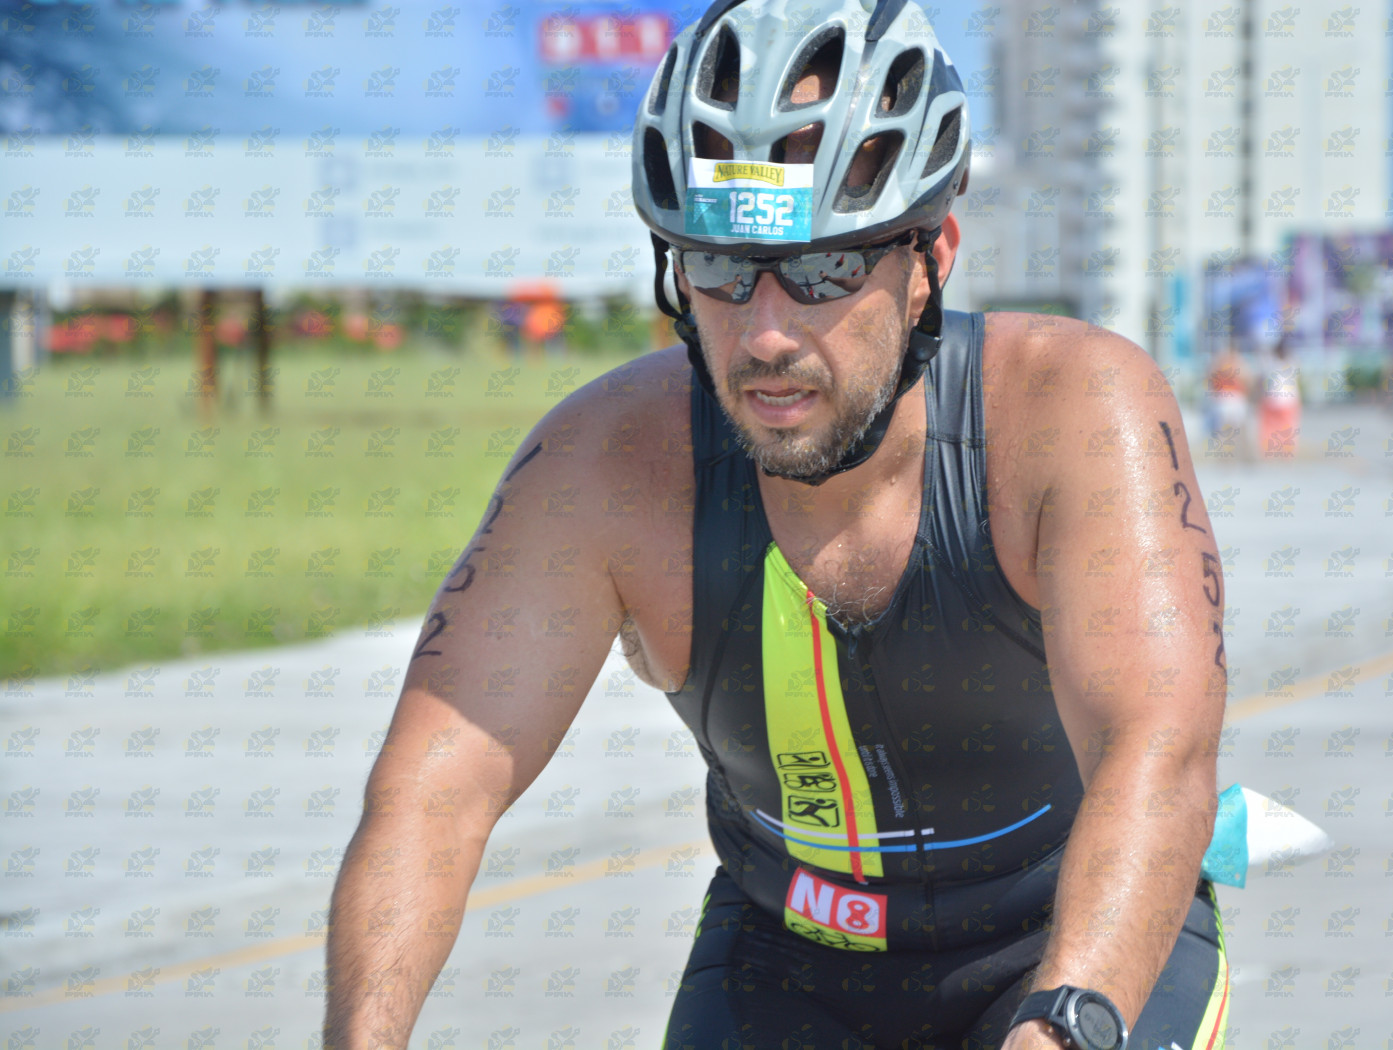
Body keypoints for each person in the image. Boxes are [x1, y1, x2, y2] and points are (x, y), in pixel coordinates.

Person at [324, 2, 1230, 1047]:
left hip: (1065, 932)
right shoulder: (607, 463)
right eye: (718, 266)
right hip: (787, 954)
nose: (764, 333)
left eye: (822, 268)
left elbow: (1156, 752)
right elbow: (432, 795)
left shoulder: (1071, 409)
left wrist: (1063, 1025)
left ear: (931, 258)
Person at [1257, 337, 1301, 458]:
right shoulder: (1293, 362)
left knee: (1269, 426)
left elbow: (1262, 380)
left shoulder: (1270, 363)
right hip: (1289, 400)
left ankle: (1269, 448)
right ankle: (1287, 450)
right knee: (1288, 426)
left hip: (1272, 399)